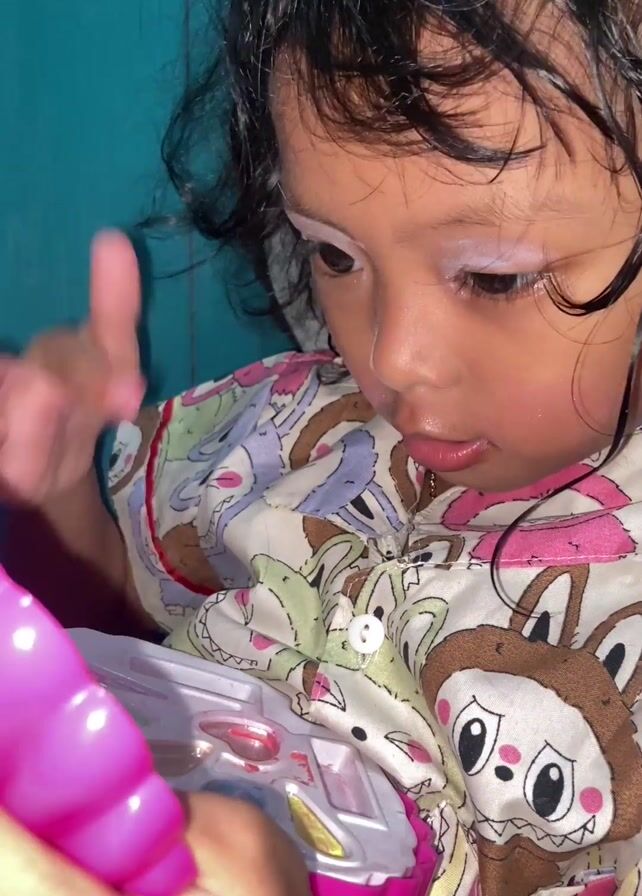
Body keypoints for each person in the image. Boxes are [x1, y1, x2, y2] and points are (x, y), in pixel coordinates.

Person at [1, 1, 642, 894]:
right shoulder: (290, 424)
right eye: (336, 256)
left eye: (496, 277)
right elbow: (116, 626)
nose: (391, 356)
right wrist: (55, 496)